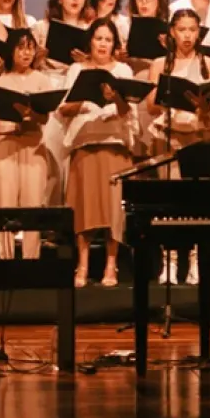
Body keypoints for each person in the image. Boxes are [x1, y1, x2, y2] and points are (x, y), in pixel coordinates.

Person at [55, 18, 137, 287]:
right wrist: (86, 94)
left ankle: (111, 265)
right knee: (85, 208)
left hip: (114, 144)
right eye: (99, 38)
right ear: (90, 41)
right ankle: (83, 264)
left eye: (108, 40)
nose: (103, 44)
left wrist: (115, 98)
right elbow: (64, 108)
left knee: (113, 209)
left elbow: (128, 111)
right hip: (85, 144)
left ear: (115, 44)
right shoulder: (77, 69)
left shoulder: (123, 70)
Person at [144, 8, 210, 284]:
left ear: (199, 32)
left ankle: (195, 261)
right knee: (170, 203)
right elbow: (150, 106)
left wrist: (203, 104)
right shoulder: (159, 64)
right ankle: (170, 261)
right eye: (182, 30)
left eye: (192, 29)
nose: (187, 35)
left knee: (197, 202)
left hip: (199, 138)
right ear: (172, 33)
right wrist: (169, 94)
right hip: (170, 137)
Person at [0, 30, 58, 260]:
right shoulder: (1, 79)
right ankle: (5, 259)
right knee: (5, 206)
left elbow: (44, 117)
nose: (26, 53)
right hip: (5, 143)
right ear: (11, 51)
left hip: (32, 144)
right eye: (21, 48)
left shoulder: (41, 79)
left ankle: (31, 260)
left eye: (30, 48)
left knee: (32, 207)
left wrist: (30, 113)